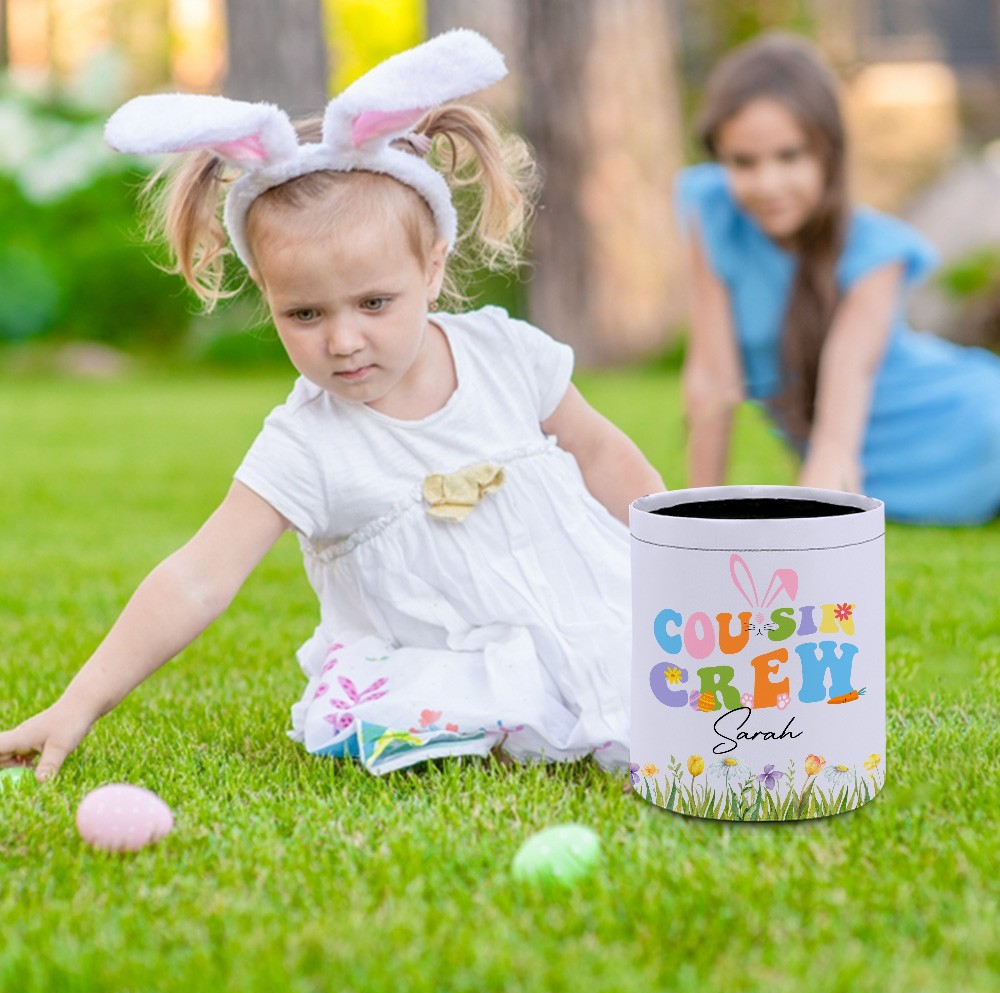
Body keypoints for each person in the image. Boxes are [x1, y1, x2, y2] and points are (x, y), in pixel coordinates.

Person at [0, 31, 663, 781]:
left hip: (576, 602)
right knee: (451, 707)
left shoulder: (504, 355)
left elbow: (603, 453)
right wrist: (76, 702)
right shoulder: (307, 443)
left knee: (640, 665)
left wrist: (685, 564)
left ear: (433, 266)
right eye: (304, 315)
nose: (343, 341)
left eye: (375, 302)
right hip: (435, 658)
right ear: (268, 297)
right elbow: (198, 578)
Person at [677, 32, 1000, 524]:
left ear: (830, 152)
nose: (768, 184)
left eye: (790, 156)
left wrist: (811, 519)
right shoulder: (712, 209)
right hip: (878, 478)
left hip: (971, 427)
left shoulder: (876, 253)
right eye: (743, 161)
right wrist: (697, 519)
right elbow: (712, 380)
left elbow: (835, 437)